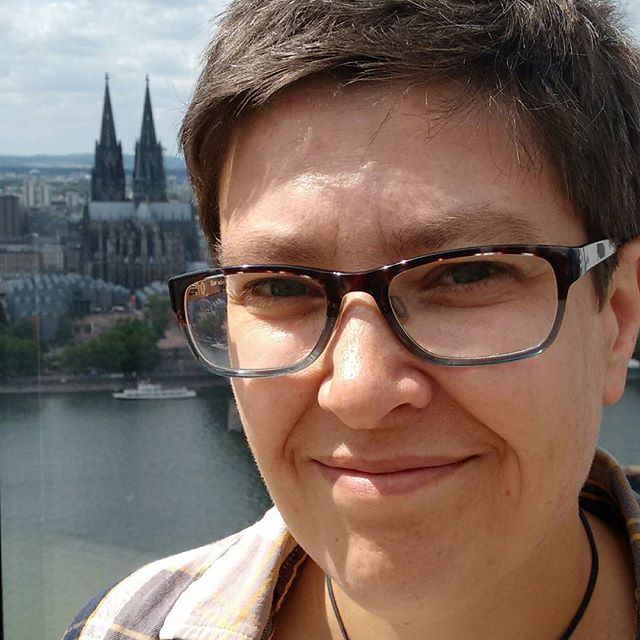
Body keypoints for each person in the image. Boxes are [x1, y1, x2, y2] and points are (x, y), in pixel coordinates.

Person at [64, 1, 640, 638]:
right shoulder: (122, 626)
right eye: (279, 285)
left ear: (617, 317)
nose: (360, 390)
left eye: (467, 274)